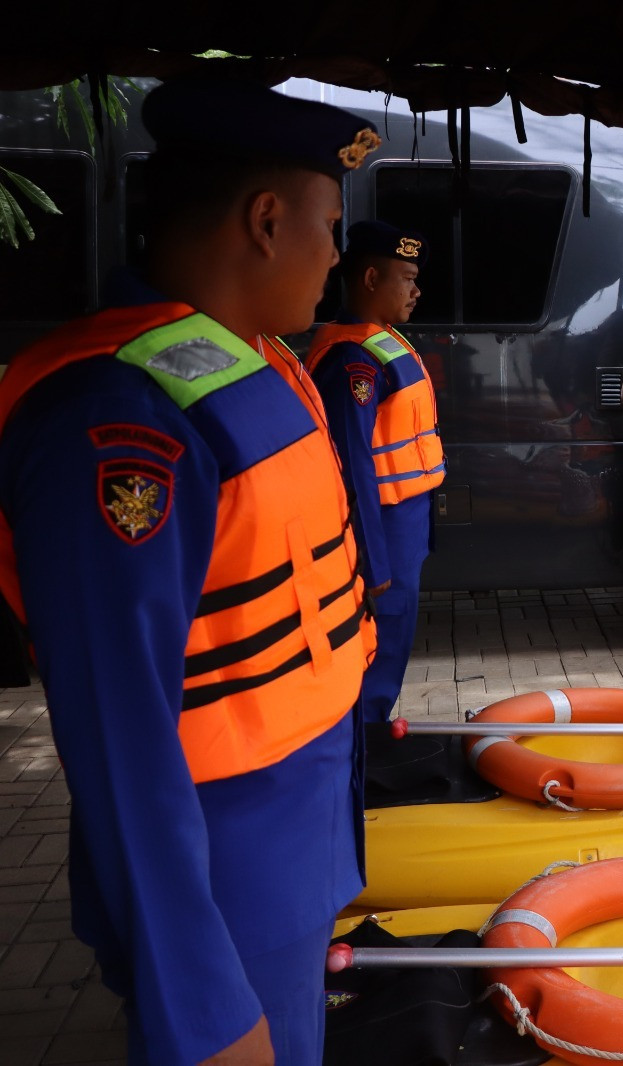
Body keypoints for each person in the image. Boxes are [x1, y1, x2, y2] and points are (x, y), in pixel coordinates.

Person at [0, 78, 379, 1063]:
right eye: (329, 226)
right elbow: (120, 738)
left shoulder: (244, 359)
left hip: (288, 845)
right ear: (264, 221)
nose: (339, 257)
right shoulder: (116, 417)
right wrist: (203, 1003)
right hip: (223, 874)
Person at [308, 221, 441, 724]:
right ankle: (367, 747)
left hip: (405, 520)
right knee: (379, 647)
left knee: (397, 638)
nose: (416, 289)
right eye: (406, 277)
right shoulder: (352, 359)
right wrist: (372, 561)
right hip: (382, 526)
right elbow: (350, 464)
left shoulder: (380, 341)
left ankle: (375, 734)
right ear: (369, 278)